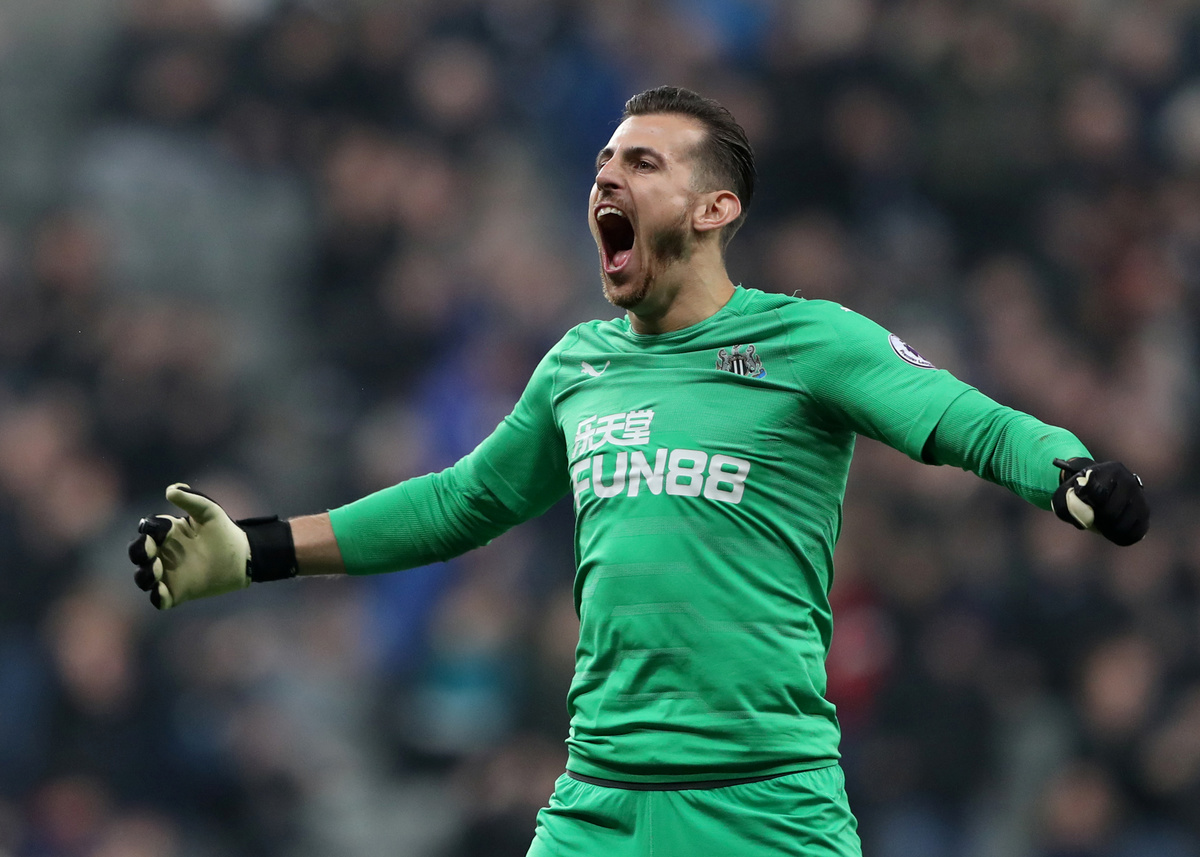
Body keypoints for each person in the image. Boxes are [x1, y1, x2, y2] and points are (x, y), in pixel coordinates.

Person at [128, 86, 1150, 857]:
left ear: (713, 208)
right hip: (601, 803)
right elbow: (459, 501)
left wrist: (1065, 471)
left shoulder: (807, 341)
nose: (607, 178)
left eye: (643, 162)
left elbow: (962, 419)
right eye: (603, 162)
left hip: (765, 802)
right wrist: (254, 549)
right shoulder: (578, 365)